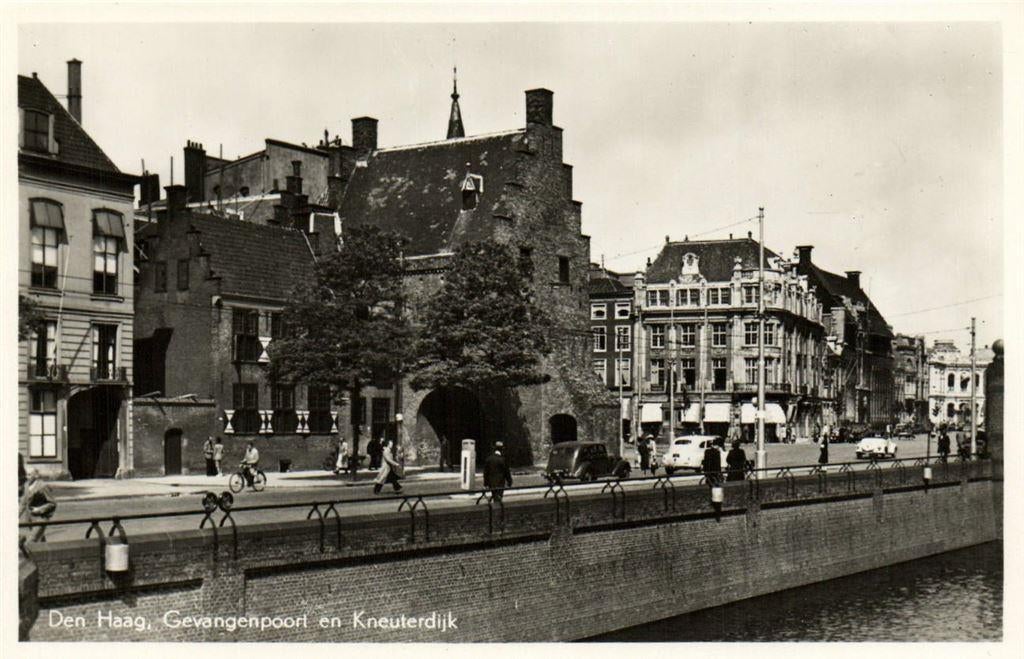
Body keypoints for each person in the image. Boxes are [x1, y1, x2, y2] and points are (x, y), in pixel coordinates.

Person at [19, 469, 56, 543]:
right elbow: (24, 502)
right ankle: (46, 553)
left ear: (36, 476)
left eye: (29, 474)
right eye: (27, 474)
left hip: (41, 518)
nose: (27, 476)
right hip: (30, 519)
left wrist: (39, 509)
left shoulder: (42, 486)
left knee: (32, 541)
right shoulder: (26, 485)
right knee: (41, 541)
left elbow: (53, 503)